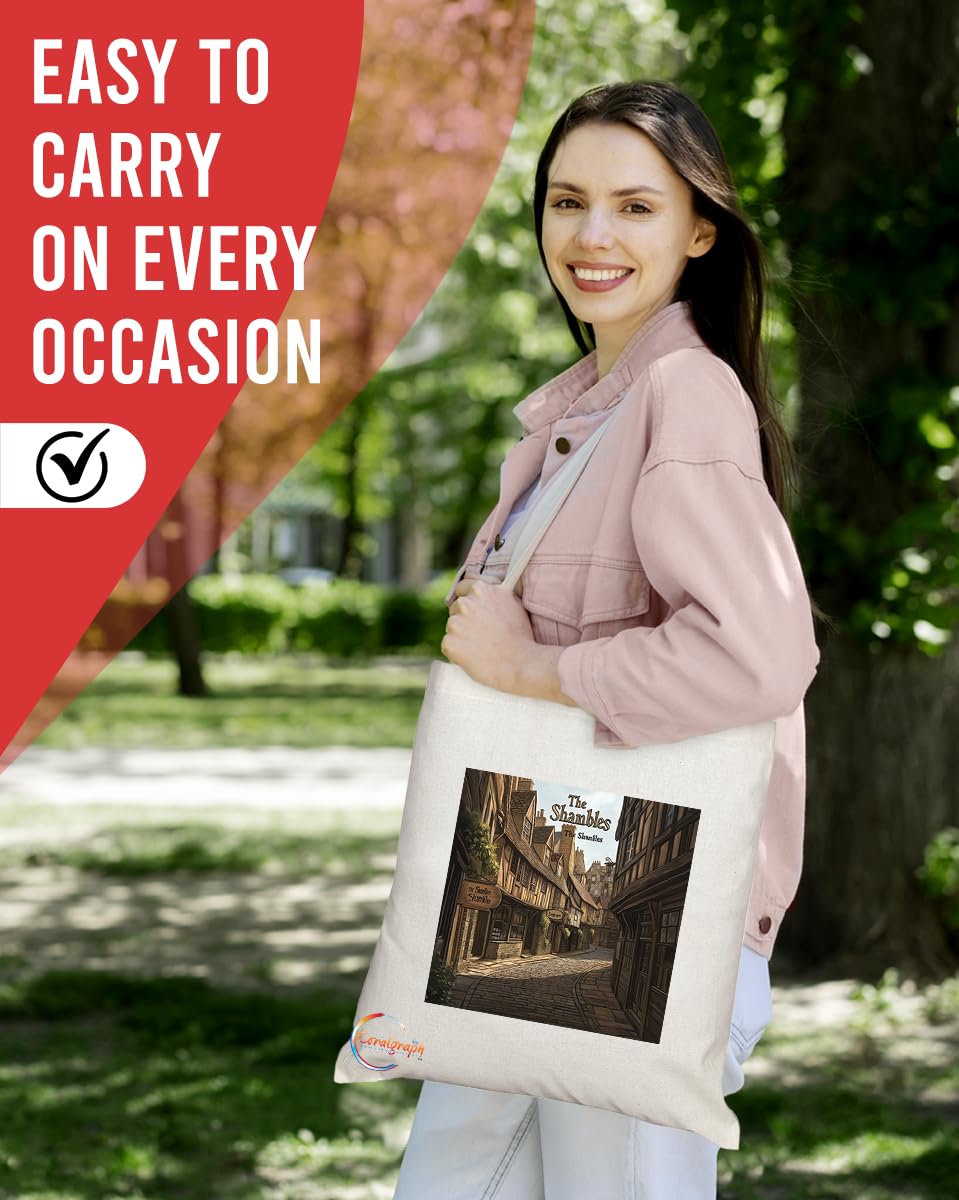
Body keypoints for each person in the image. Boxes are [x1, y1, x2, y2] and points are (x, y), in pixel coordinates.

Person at [392, 79, 820, 1200]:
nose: (591, 236)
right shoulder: (589, 414)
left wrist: (531, 668)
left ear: (699, 231)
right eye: (567, 201)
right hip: (546, 894)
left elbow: (758, 657)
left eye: (635, 207)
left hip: (642, 916)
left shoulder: (684, 395)